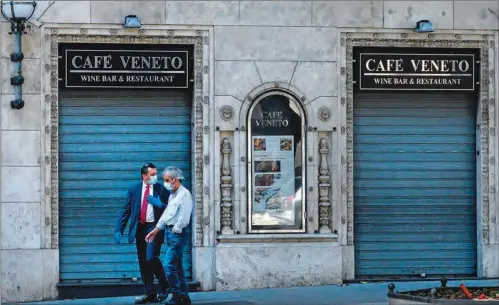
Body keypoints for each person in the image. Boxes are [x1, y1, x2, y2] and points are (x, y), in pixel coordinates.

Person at [114, 163, 171, 304]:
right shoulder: (134, 190)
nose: (155, 177)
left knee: (151, 258)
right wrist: (118, 230)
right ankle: (150, 293)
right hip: (140, 229)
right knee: (144, 262)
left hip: (154, 227)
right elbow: (126, 211)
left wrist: (159, 205)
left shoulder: (161, 189)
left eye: (155, 174)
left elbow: (171, 209)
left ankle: (164, 285)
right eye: (152, 174)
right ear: (144, 176)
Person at [145, 166, 193, 305]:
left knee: (168, 265)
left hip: (177, 234)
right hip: (170, 232)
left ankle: (177, 296)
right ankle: (185, 297)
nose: (165, 183)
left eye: (167, 180)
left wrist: (175, 230)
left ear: (176, 180)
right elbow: (168, 214)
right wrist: (156, 229)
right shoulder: (173, 194)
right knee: (177, 267)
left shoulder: (185, 194)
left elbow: (184, 218)